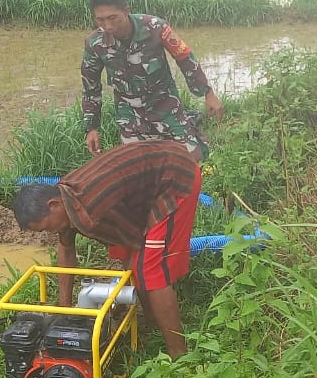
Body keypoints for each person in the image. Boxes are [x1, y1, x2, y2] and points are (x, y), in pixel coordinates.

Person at [12, 140, 203, 359]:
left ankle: (179, 354)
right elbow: (66, 249)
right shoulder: (66, 200)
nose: (51, 232)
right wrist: (64, 310)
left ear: (53, 205)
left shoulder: (91, 204)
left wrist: (140, 262)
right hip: (145, 181)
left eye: (47, 227)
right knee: (126, 254)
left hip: (175, 176)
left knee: (150, 269)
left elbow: (136, 242)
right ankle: (151, 319)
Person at [82, 0, 223, 162]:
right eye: (100, 20)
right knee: (137, 167)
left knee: (193, 160)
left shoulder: (156, 27)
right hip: (130, 112)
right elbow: (90, 87)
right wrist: (91, 128)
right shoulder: (94, 43)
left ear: (126, 11)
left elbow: (185, 58)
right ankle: (187, 121)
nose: (107, 26)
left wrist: (208, 93)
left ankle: (189, 124)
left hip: (164, 103)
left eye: (112, 18)